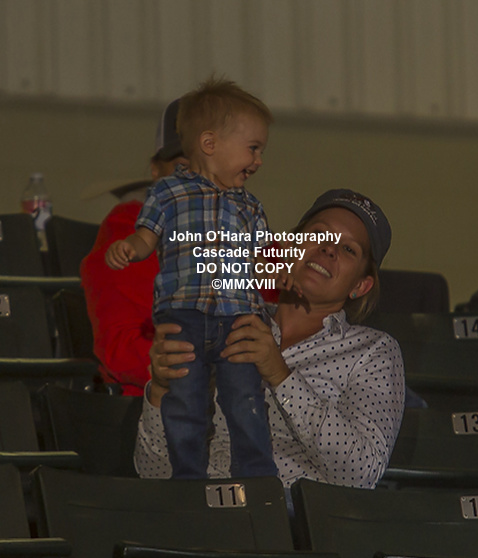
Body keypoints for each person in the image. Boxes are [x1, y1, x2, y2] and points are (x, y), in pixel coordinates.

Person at [134, 188, 405, 490]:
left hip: (287, 514)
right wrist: (162, 391)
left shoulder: (373, 351)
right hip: (198, 507)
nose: (329, 249)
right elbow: (155, 473)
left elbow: (361, 472)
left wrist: (280, 375)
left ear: (360, 286)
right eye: (319, 234)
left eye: (348, 249)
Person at [106, 78, 281, 479]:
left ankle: (256, 475)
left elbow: (264, 260)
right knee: (185, 398)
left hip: (236, 314)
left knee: (245, 397)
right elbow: (146, 236)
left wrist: (280, 269)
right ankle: (187, 476)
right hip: (183, 313)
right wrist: (130, 247)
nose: (258, 161)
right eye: (253, 148)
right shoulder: (168, 194)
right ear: (210, 143)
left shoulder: (250, 206)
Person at [80, 99, 187, 395]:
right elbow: (123, 350)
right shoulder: (129, 226)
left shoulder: (244, 226)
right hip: (160, 406)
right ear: (155, 169)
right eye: (183, 166)